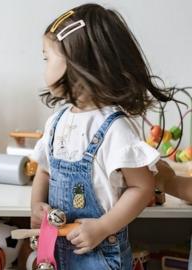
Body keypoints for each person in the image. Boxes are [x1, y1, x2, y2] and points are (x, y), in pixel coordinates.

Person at [30, 3, 176, 269]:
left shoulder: (113, 128)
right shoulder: (57, 121)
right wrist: (36, 205)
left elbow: (142, 188)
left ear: (76, 64)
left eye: (46, 58)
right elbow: (44, 170)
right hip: (56, 248)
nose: (43, 66)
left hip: (98, 254)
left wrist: (102, 227)